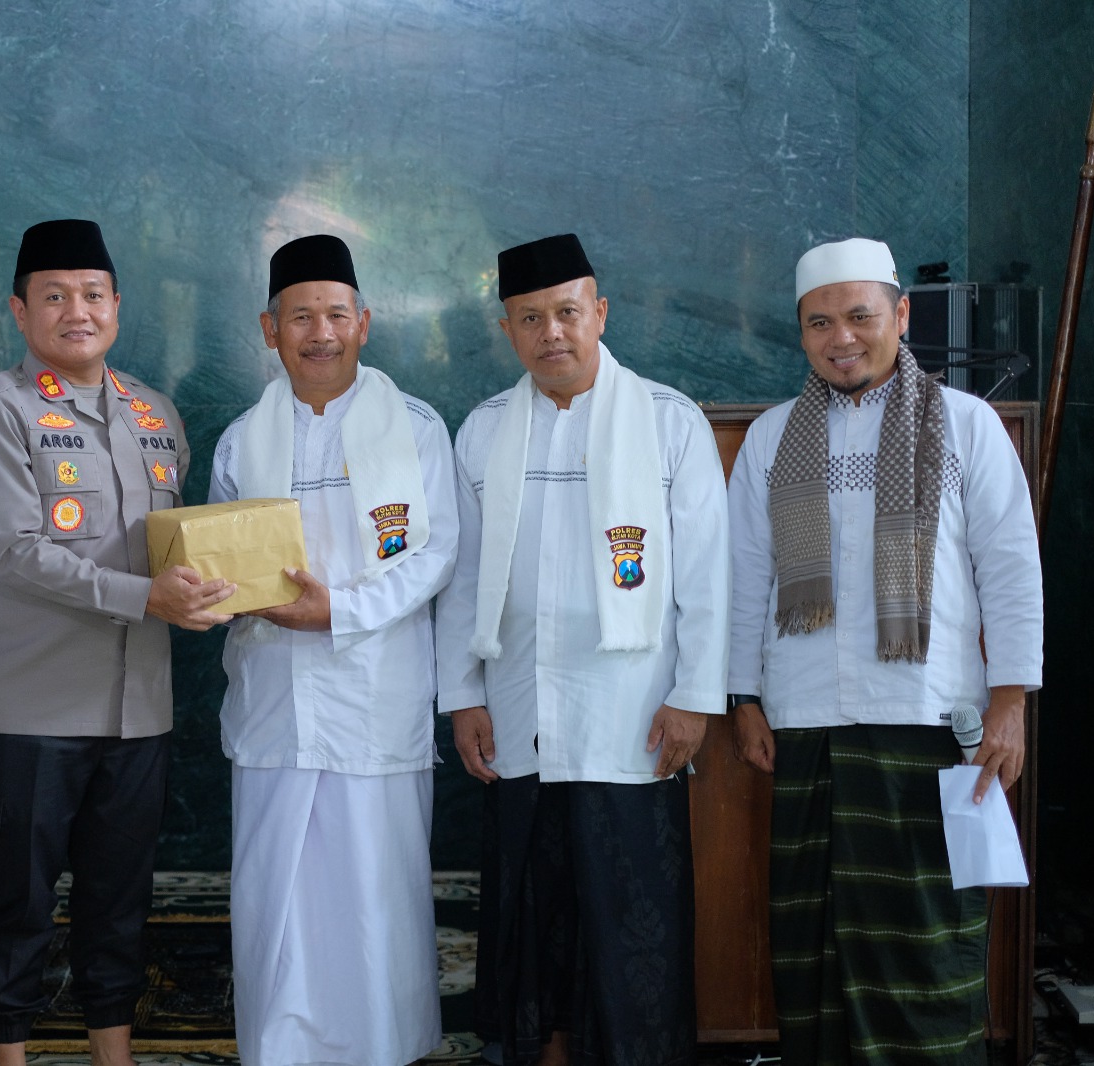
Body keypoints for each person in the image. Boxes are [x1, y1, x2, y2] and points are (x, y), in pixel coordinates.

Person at [727, 237, 1043, 1065]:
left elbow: (1011, 567)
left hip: (932, 722)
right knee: (817, 942)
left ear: (900, 316)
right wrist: (743, 695)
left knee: (925, 944)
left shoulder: (968, 425)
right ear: (799, 334)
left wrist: (1012, 697)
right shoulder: (770, 439)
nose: (842, 338)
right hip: (807, 725)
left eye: (861, 316)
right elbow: (744, 576)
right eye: (819, 322)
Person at [435, 233, 729, 1066]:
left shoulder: (669, 422)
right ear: (508, 332)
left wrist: (697, 695)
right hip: (522, 716)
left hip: (633, 719)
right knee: (538, 919)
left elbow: (709, 575)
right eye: (530, 318)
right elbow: (459, 581)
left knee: (631, 919)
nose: (551, 332)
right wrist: (462, 694)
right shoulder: (484, 431)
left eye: (567, 312)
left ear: (600, 312)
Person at [0, 219, 234, 1066]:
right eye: (56, 296)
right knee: (19, 901)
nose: (79, 311)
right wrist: (147, 597)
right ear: (19, 309)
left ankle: (115, 1054)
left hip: (138, 707)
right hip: (32, 705)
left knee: (120, 901)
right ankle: (9, 1055)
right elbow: (14, 553)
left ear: (117, 305)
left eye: (94, 295)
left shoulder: (156, 413)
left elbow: (176, 542)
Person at [210, 234, 456, 1066]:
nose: (321, 332)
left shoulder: (416, 429)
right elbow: (217, 555)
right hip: (274, 701)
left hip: (373, 696)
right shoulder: (243, 440)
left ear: (365, 322)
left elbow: (436, 554)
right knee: (275, 897)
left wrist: (338, 612)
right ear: (269, 328)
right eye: (300, 316)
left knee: (373, 899)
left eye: (336, 314)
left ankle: (384, 1048)